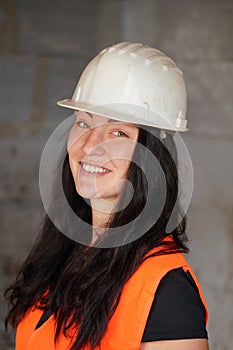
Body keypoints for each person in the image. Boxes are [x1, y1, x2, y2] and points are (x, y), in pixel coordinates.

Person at [5, 42, 209, 350]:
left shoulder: (165, 288)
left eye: (118, 133)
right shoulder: (62, 255)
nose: (89, 146)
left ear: (153, 156)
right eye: (84, 123)